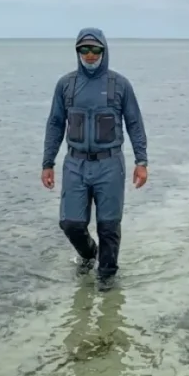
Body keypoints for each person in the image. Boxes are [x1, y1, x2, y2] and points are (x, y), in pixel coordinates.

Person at [41, 28, 149, 286]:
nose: (90, 55)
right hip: (75, 164)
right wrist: (48, 163)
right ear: (77, 52)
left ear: (104, 50)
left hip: (110, 164)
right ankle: (90, 254)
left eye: (95, 50)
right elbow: (55, 124)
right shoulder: (66, 85)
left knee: (109, 227)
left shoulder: (120, 84)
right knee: (70, 224)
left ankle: (107, 282)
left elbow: (134, 123)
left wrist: (141, 161)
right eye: (84, 50)